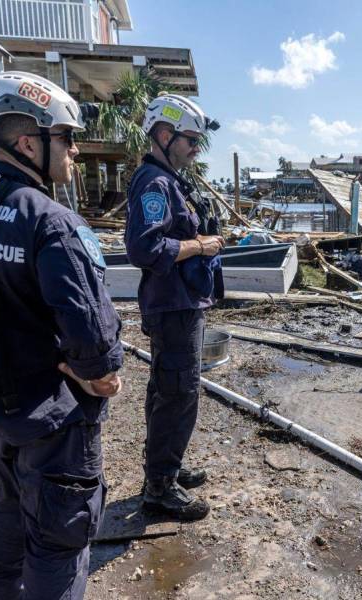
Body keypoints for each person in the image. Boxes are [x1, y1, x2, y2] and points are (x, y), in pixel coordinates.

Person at [0, 71, 123, 599]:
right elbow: (92, 331)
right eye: (66, 138)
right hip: (50, 419)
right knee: (58, 543)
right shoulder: (50, 221)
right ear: (28, 142)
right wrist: (100, 372)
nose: (74, 151)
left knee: (5, 508)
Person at [125, 94, 223, 521]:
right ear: (164, 136)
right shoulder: (155, 183)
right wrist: (200, 245)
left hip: (182, 303)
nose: (195, 150)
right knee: (179, 394)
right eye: (190, 141)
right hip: (173, 306)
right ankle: (159, 488)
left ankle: (166, 467)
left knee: (169, 391)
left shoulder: (169, 180)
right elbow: (143, 247)